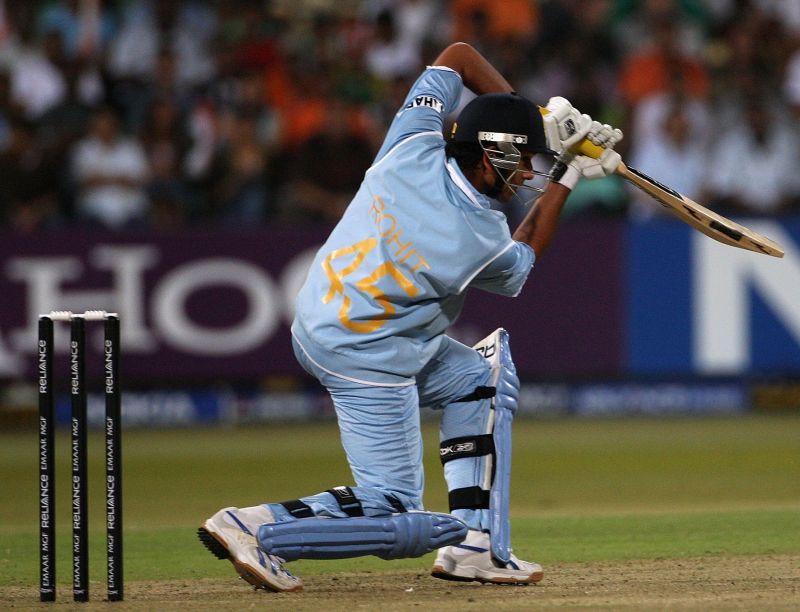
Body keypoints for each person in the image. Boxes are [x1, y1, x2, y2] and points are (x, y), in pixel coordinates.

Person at [198, 42, 622, 593]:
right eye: (525, 160)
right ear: (493, 155)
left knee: (480, 382)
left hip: (330, 314)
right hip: (366, 352)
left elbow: (459, 55)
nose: (528, 174)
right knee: (394, 508)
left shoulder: (412, 140)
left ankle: (475, 547)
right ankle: (257, 526)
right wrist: (567, 174)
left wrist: (535, 117)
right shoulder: (476, 239)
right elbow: (523, 260)